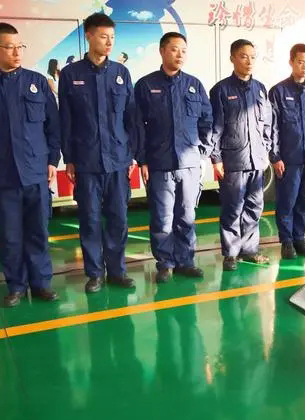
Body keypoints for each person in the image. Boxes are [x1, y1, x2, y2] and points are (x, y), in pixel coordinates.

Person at [0, 22, 60, 307]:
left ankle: (41, 283)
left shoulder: (37, 82)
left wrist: (53, 160)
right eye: (9, 47)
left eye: (20, 46)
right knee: (10, 235)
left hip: (35, 172)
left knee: (38, 232)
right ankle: (16, 285)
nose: (17, 53)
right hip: (1, 174)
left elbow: (54, 126)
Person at [59, 13, 138, 293]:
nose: (109, 42)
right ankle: (95, 274)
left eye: (112, 37)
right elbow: (66, 119)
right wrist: (69, 158)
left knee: (118, 219)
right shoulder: (71, 75)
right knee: (90, 220)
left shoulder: (121, 73)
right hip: (86, 161)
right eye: (103, 36)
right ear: (89, 36)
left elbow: (131, 117)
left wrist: (132, 155)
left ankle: (117, 271)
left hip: (117, 160)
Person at [135, 32, 212, 283]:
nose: (180, 55)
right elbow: (137, 126)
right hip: (160, 163)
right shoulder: (146, 86)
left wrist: (202, 153)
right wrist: (142, 159)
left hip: (189, 164)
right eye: (174, 49)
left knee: (187, 215)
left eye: (183, 50)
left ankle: (186, 261)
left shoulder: (194, 85)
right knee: (162, 217)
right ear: (162, 51)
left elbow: (207, 121)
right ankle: (165, 263)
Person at [210, 39, 272, 271]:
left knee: (254, 207)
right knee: (232, 208)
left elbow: (267, 123)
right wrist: (216, 159)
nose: (249, 61)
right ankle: (231, 253)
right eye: (244, 56)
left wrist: (265, 149)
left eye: (253, 57)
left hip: (256, 160)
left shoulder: (260, 89)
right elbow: (215, 127)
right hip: (233, 160)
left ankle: (250, 250)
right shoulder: (221, 90)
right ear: (233, 58)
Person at [268, 43, 305, 259]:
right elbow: (272, 127)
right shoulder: (278, 91)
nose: (304, 66)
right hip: (289, 159)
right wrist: (275, 157)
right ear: (291, 62)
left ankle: (299, 239)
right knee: (287, 202)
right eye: (300, 62)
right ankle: (286, 242)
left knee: (304, 201)